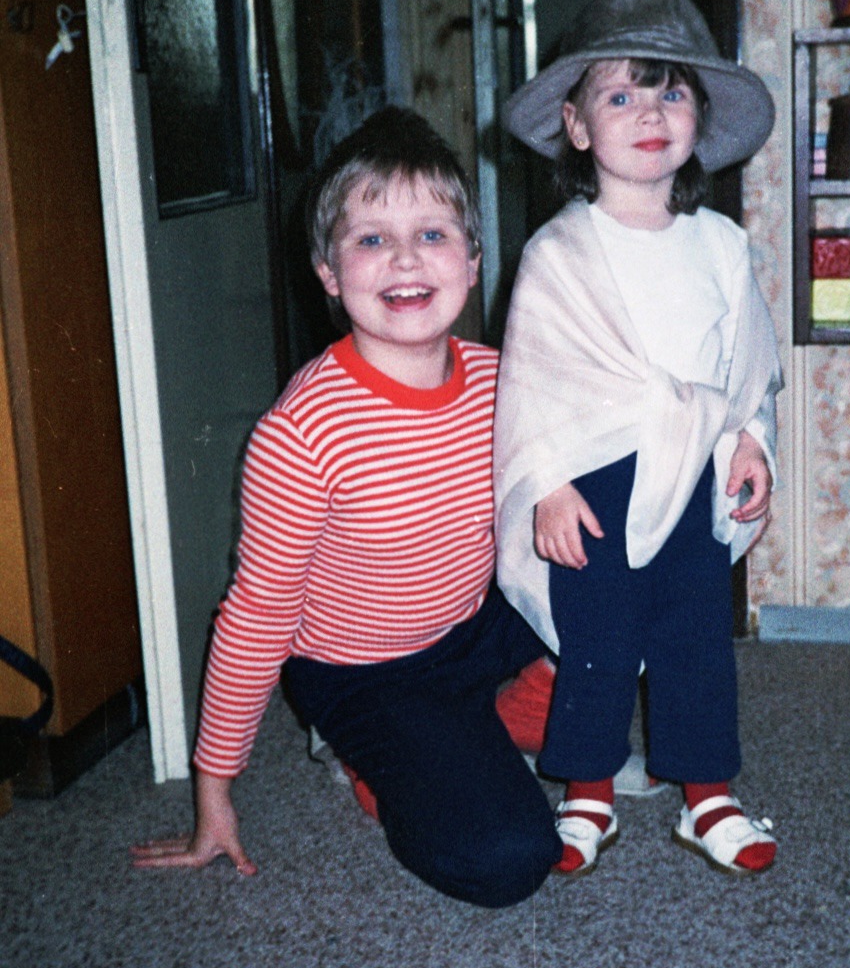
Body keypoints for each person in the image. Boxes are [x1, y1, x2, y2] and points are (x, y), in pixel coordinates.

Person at [132, 106, 561, 908]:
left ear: (472, 260)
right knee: (511, 856)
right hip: (363, 674)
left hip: (475, 623)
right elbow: (257, 614)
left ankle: (488, 721)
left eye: (432, 234)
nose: (404, 258)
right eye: (371, 239)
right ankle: (379, 761)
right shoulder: (302, 432)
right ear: (328, 273)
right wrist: (213, 790)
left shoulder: (505, 376)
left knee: (628, 586)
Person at [494, 0, 783, 879]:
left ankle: (707, 795)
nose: (649, 113)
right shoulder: (558, 252)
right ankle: (587, 788)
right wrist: (543, 480)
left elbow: (747, 367)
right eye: (620, 96)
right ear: (578, 126)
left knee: (696, 631)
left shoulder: (721, 246)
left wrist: (749, 441)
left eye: (670, 93)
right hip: (593, 480)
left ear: (699, 116)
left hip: (692, 470)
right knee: (599, 636)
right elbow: (531, 380)